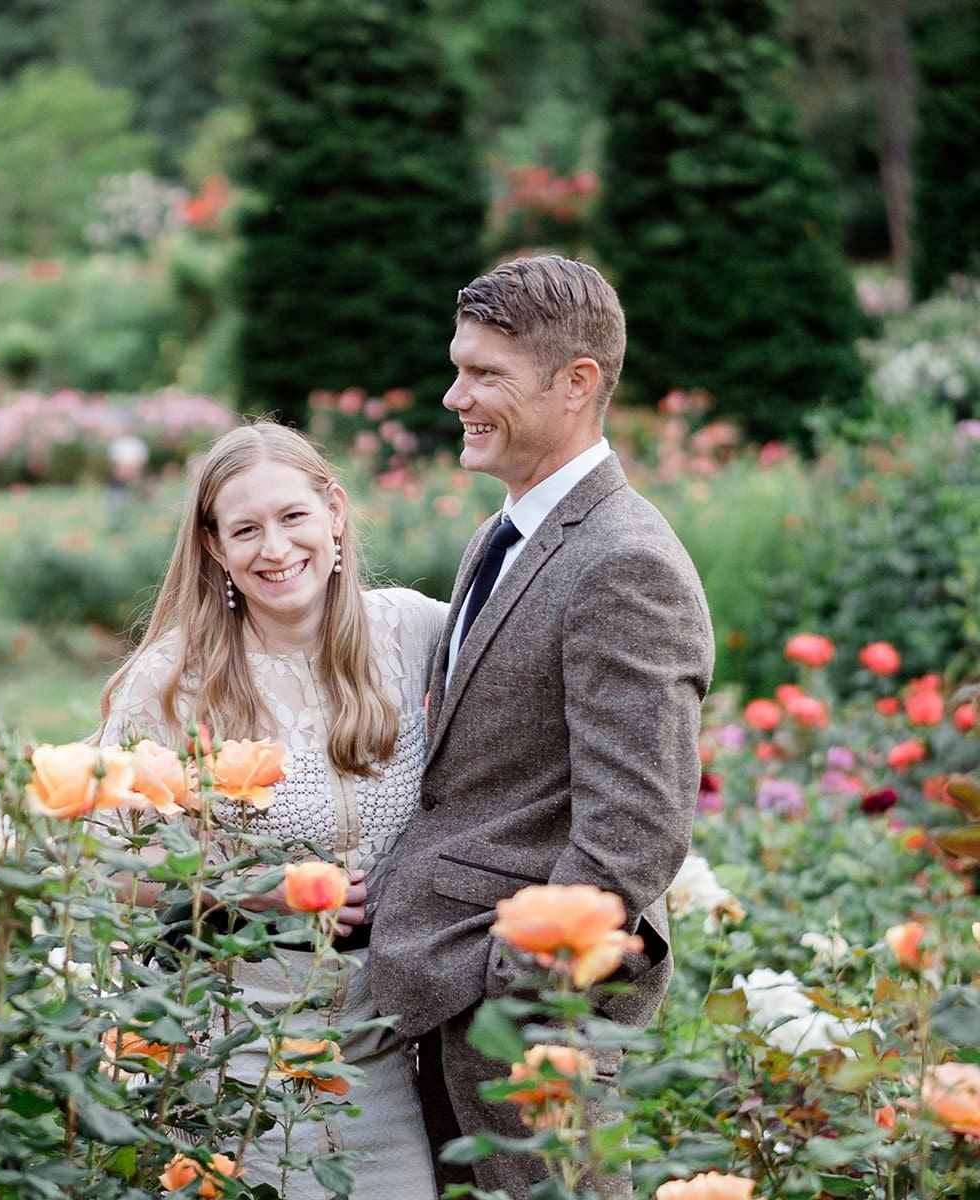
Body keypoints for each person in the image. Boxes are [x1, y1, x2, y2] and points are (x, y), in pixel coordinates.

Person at [368, 255, 717, 1199]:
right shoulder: (507, 530)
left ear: (577, 383)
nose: (453, 397)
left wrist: (505, 987)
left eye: (486, 376)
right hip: (441, 1001)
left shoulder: (625, 565)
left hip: (521, 1032)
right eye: (457, 367)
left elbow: (634, 834)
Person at [97, 420, 450, 1199]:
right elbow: (102, 860)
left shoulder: (417, 630)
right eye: (246, 529)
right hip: (231, 1055)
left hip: (380, 1054)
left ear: (335, 511)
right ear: (216, 547)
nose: (275, 548)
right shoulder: (174, 680)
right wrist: (245, 889)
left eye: (292, 517)